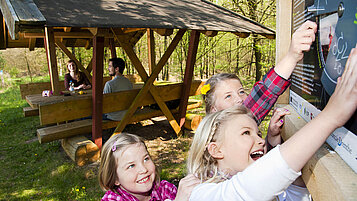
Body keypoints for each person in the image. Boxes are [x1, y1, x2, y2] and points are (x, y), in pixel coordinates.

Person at [186, 44, 357, 201]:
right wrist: (331, 116)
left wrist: (273, 142)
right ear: (216, 149)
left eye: (258, 133)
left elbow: (290, 193)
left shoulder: (246, 168)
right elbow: (255, 184)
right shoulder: (200, 192)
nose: (260, 141)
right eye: (246, 133)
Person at [202, 20, 317, 125]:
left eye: (241, 92)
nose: (239, 99)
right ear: (213, 109)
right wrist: (292, 56)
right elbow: (266, 91)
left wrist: (272, 138)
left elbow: (265, 92)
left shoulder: (242, 123)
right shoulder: (221, 136)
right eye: (228, 96)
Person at [99, 133, 200, 201]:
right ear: (115, 178)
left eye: (146, 159)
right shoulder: (112, 199)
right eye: (131, 166)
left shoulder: (165, 190)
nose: (143, 169)